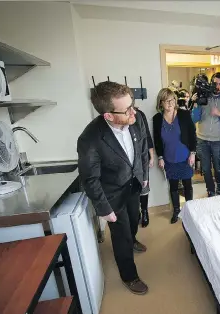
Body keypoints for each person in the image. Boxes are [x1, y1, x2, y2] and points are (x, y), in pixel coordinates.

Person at [77, 81, 149, 295]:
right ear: (108, 115)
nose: (133, 111)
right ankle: (129, 275)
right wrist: (104, 209)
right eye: (126, 109)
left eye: (132, 105)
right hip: (112, 195)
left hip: (133, 184)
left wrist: (143, 176)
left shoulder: (136, 119)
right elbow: (89, 178)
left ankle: (133, 238)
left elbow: (142, 148)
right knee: (121, 236)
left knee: (134, 219)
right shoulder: (90, 138)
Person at [153, 88, 197, 224]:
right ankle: (176, 210)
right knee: (173, 186)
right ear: (161, 103)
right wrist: (160, 157)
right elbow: (157, 140)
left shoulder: (184, 114)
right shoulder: (157, 119)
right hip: (169, 159)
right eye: (166, 101)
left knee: (187, 185)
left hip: (185, 157)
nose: (170, 103)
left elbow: (192, 134)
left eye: (172, 100)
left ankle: (189, 210)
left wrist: (193, 154)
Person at [191, 72, 220, 197]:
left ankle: (219, 183)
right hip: (202, 139)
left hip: (217, 140)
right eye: (215, 83)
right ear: (211, 83)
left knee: (218, 167)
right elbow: (194, 119)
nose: (217, 86)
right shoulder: (204, 97)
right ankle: (211, 190)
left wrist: (219, 114)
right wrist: (196, 104)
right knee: (206, 169)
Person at [135, 107, 154, 228]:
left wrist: (151, 156)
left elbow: (147, 135)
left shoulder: (139, 114)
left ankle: (145, 212)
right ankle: (135, 213)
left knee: (144, 186)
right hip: (128, 158)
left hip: (142, 156)